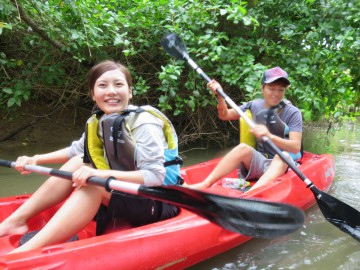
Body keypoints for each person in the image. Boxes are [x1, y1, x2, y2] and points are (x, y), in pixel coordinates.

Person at [0, 60, 180, 253]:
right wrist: (36, 159)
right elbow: (76, 150)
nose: (111, 91)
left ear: (130, 91)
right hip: (124, 193)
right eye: (102, 85)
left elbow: (155, 176)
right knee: (80, 161)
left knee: (94, 182)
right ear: (93, 94)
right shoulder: (99, 120)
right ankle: (16, 221)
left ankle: (23, 253)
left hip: (159, 200)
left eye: (118, 84)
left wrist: (101, 175)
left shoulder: (144, 122)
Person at [185, 67, 302, 191]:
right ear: (262, 89)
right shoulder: (254, 105)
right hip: (262, 162)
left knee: (283, 156)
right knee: (242, 148)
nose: (276, 93)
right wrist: (220, 96)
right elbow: (224, 115)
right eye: (271, 88)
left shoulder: (293, 112)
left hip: (285, 165)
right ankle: (205, 184)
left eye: (281, 90)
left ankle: (251, 194)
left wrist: (270, 136)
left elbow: (295, 147)